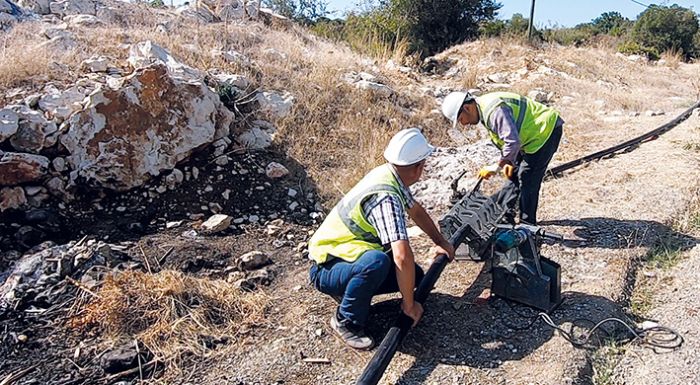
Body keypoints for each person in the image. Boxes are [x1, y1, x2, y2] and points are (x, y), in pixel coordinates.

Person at [307, 128, 456, 350]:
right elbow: (401, 255)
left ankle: (350, 290)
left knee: (414, 276)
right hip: (325, 267)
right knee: (378, 262)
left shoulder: (390, 174)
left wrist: (440, 241)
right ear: (418, 168)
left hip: (346, 257)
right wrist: (409, 306)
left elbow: (415, 211)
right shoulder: (385, 197)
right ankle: (346, 320)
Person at [441, 91, 564, 225]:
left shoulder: (494, 111)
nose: (464, 124)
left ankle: (528, 227)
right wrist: (507, 162)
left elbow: (512, 142)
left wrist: (498, 166)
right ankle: (504, 216)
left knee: (528, 178)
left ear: (467, 108)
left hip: (544, 131)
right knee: (512, 174)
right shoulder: (484, 109)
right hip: (530, 137)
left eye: (461, 119)